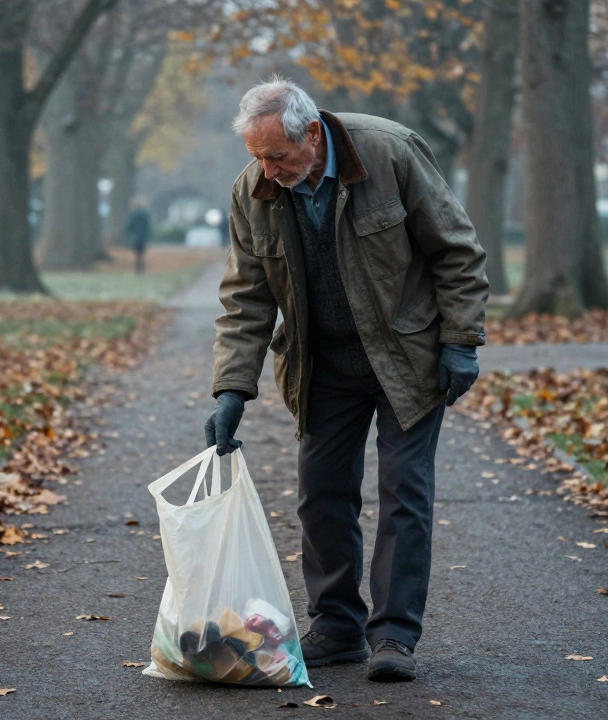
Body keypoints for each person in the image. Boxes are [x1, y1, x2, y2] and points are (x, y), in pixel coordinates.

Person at [204, 77, 489, 683]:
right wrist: (232, 388)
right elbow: (245, 299)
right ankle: (336, 626)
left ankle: (393, 636)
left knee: (403, 494)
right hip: (323, 365)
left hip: (407, 358)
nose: (267, 169)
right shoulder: (252, 191)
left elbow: (456, 251)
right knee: (320, 493)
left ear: (311, 133)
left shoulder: (389, 152)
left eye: (276, 155)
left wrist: (462, 342)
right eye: (256, 156)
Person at [124, 199, 152, 275]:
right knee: (142, 253)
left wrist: (127, 232)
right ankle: (142, 269)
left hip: (136, 237)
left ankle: (137, 269)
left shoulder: (133, 214)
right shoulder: (145, 214)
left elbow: (129, 226)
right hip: (143, 237)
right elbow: (148, 226)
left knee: (137, 254)